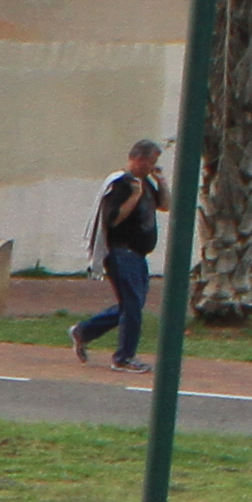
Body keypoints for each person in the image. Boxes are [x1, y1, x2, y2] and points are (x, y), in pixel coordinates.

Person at [72, 137, 164, 371]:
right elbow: (112, 220)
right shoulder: (121, 184)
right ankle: (124, 357)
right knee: (132, 304)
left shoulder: (146, 183)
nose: (153, 167)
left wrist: (161, 183)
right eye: (151, 161)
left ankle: (84, 331)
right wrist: (133, 196)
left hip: (138, 254)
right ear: (138, 158)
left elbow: (165, 205)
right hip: (122, 252)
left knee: (132, 304)